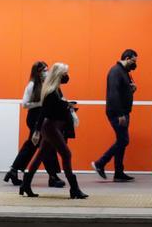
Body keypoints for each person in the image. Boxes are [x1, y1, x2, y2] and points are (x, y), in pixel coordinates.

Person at [20, 62, 87, 199]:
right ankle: (74, 188)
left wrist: (66, 106)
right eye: (64, 74)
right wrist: (37, 132)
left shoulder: (55, 89)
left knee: (40, 155)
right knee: (66, 155)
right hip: (50, 127)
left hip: (52, 126)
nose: (67, 76)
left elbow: (52, 108)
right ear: (58, 75)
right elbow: (43, 112)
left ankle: (26, 184)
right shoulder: (51, 91)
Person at [4, 60, 63, 188]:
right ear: (37, 72)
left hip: (43, 117)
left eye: (47, 69)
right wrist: (41, 103)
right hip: (34, 117)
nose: (46, 72)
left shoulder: (48, 84)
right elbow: (25, 104)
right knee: (47, 145)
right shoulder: (31, 85)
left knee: (31, 145)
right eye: (43, 70)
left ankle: (13, 171)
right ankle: (53, 176)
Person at [93, 48, 138, 182]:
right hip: (117, 112)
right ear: (127, 58)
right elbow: (113, 94)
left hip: (123, 111)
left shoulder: (124, 72)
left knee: (121, 141)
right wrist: (120, 114)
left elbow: (122, 92)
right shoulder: (115, 71)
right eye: (134, 61)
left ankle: (119, 172)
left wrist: (131, 90)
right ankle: (100, 163)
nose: (135, 64)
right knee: (123, 140)